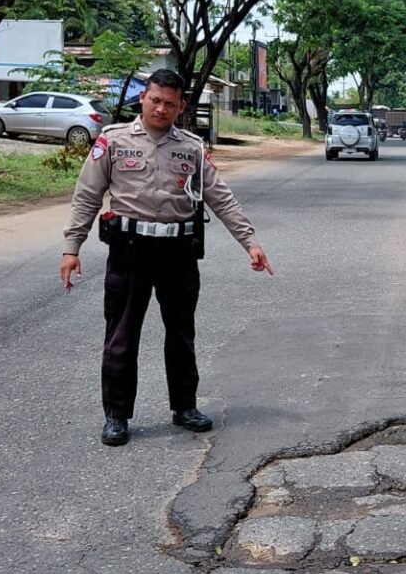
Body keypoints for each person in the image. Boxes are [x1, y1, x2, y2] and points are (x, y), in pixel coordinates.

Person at [60, 69, 273, 446]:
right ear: (143, 98)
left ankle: (185, 407)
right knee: (122, 336)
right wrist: (71, 248)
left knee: (181, 334)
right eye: (155, 100)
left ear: (181, 107)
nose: (161, 109)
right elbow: (87, 196)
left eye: (170, 104)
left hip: (177, 253)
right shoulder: (113, 140)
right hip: (129, 251)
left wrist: (250, 242)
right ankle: (117, 416)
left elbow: (220, 197)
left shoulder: (192, 147)